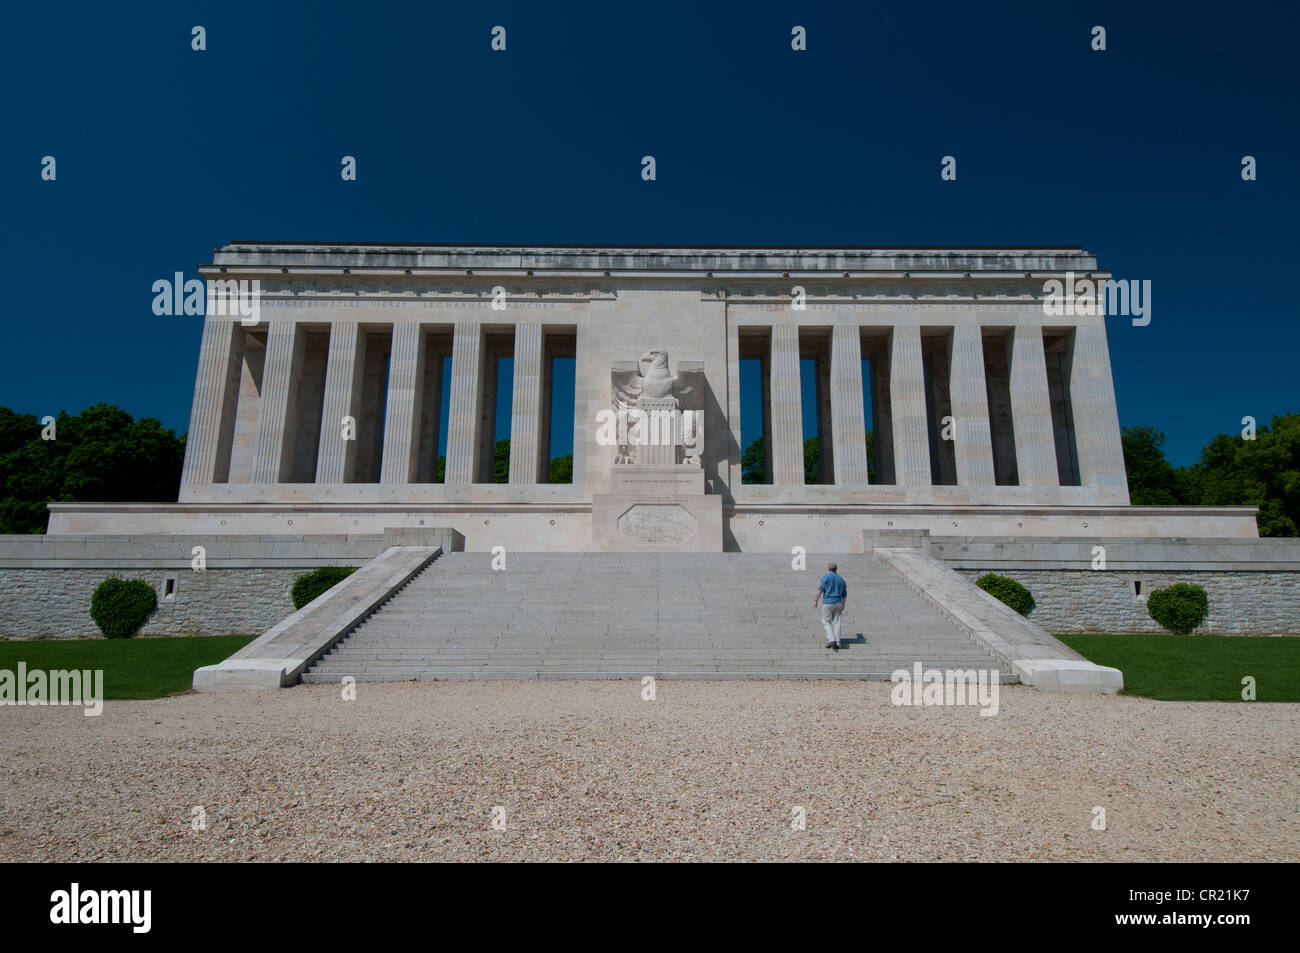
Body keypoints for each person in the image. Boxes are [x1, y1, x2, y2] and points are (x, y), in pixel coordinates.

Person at [813, 561, 847, 650]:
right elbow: (844, 594)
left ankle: (831, 639)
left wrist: (816, 600)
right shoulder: (841, 579)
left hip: (828, 602)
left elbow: (820, 590)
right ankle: (838, 642)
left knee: (825, 621)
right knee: (837, 622)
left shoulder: (826, 577)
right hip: (838, 602)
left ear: (828, 569)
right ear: (836, 569)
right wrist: (843, 605)